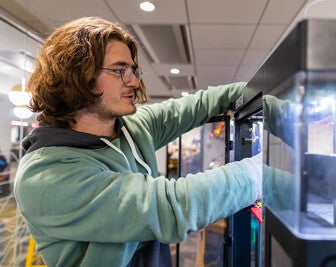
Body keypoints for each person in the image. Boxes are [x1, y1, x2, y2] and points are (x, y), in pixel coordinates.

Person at [13, 17, 287, 267]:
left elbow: (209, 101)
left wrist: (292, 122)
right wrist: (259, 175)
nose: (133, 81)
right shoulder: (45, 176)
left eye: (133, 70)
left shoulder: (129, 127)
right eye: (120, 70)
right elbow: (167, 208)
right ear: (78, 76)